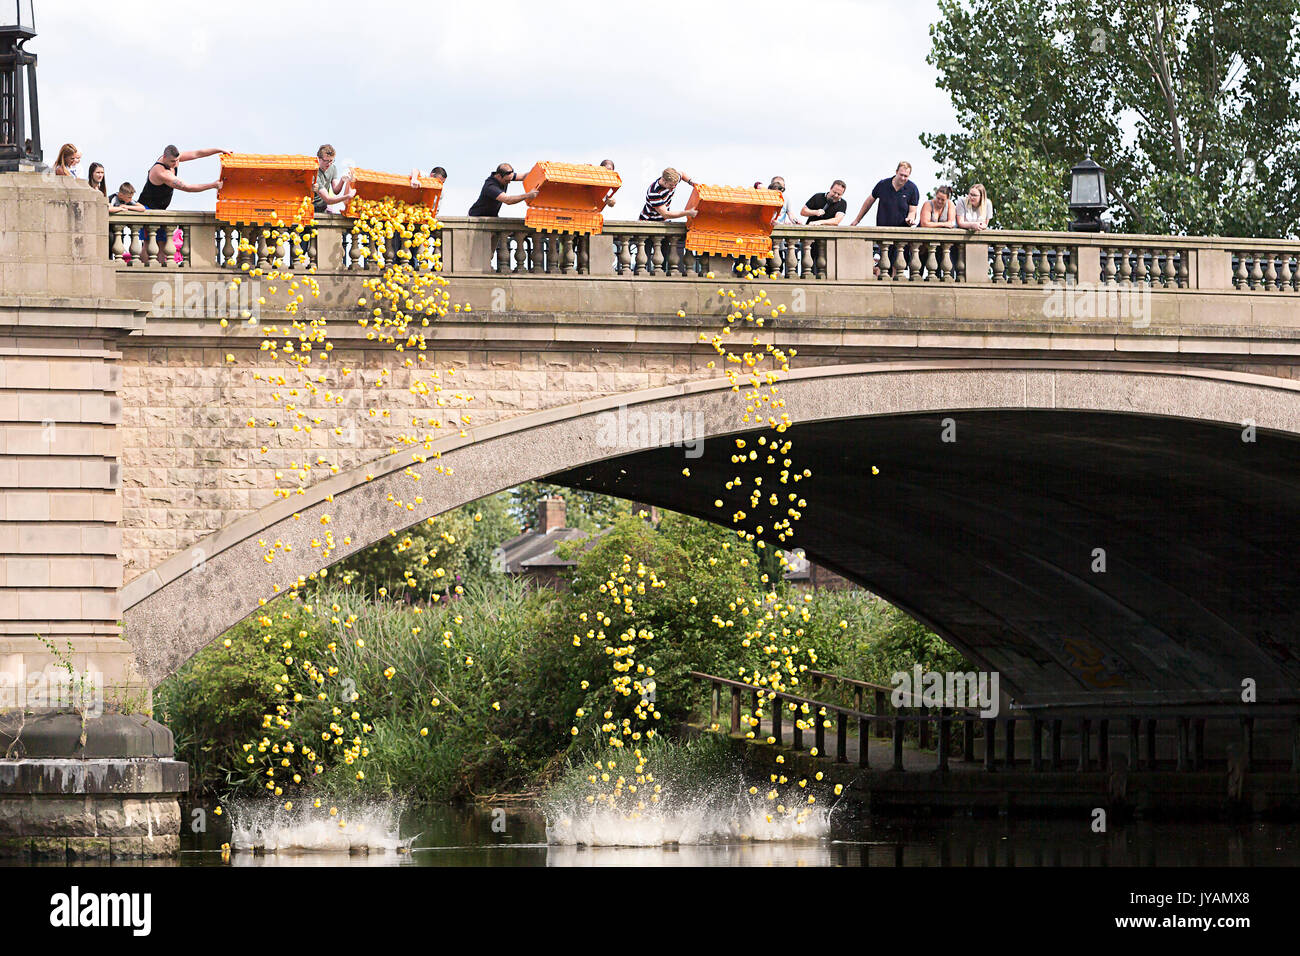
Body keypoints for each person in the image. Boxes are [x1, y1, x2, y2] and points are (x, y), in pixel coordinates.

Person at [138, 144, 226, 210]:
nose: (176, 164)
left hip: (160, 210)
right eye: (173, 161)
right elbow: (187, 187)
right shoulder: (162, 173)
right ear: (164, 157)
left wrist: (219, 150)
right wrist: (213, 185)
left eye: (177, 160)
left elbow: (197, 153)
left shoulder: (173, 159)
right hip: (147, 209)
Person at [850, 161, 920, 226]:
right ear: (896, 172)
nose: (902, 178)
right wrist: (857, 220)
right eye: (901, 175)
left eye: (905, 176)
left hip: (902, 230)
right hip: (882, 229)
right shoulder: (883, 184)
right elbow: (869, 201)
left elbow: (912, 211)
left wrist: (910, 219)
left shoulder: (912, 189)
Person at [468, 163, 537, 216]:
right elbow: (507, 200)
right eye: (507, 181)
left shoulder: (506, 175)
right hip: (477, 218)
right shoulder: (490, 186)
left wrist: (537, 172)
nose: (509, 182)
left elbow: (523, 176)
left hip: (492, 217)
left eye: (510, 180)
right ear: (498, 176)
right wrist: (527, 195)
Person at [314, 145, 354, 214]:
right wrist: (347, 196)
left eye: (331, 161)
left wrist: (342, 180)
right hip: (313, 208)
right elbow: (328, 199)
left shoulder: (332, 168)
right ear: (319, 159)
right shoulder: (315, 173)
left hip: (323, 208)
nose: (329, 164)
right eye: (326, 161)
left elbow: (336, 190)